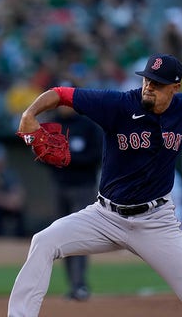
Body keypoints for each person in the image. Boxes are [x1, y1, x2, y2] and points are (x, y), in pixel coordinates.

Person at [9, 54, 182, 317]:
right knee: (44, 241)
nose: (149, 87)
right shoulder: (117, 105)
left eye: (157, 84)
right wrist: (29, 115)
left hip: (155, 222)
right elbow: (60, 94)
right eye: (147, 80)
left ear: (175, 87)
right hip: (104, 216)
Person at [50, 105, 103, 301]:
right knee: (62, 237)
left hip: (83, 188)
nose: (64, 108)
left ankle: (79, 284)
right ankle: (73, 285)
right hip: (60, 187)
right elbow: (40, 155)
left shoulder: (87, 125)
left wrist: (68, 159)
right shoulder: (53, 125)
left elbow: (98, 155)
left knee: (78, 236)